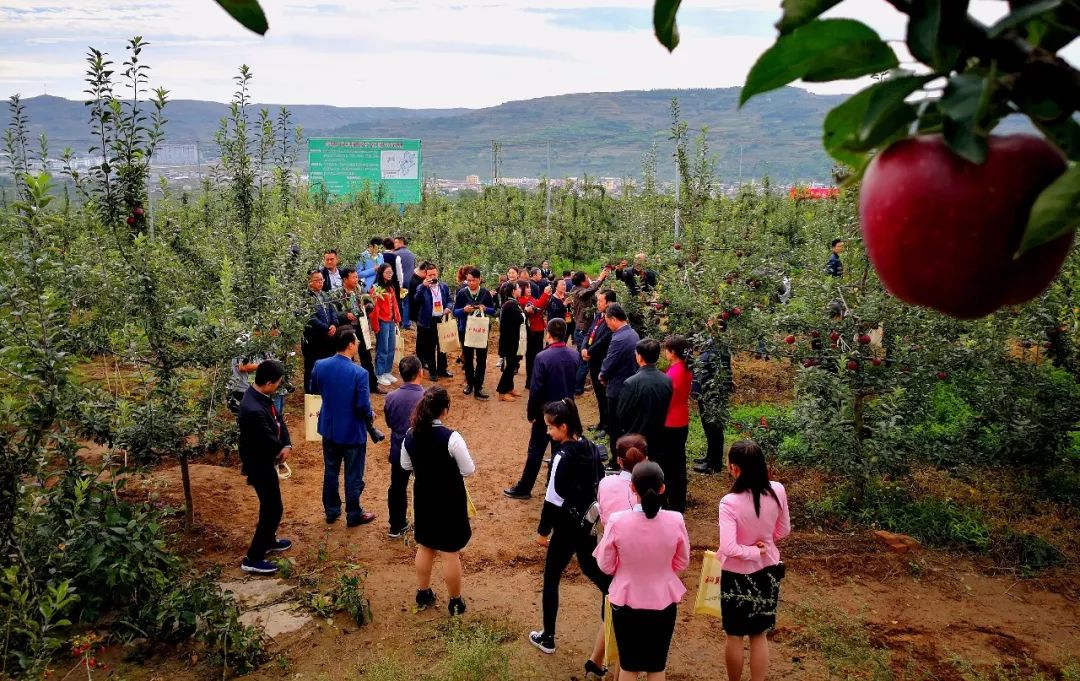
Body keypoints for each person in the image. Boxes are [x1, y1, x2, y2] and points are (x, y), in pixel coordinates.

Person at [594, 461, 690, 681]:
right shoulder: (676, 520)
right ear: (662, 488)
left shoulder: (618, 521)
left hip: (626, 599)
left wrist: (628, 570)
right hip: (664, 599)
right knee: (657, 666)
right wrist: (661, 570)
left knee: (629, 665)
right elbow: (682, 562)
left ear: (632, 488)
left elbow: (606, 565)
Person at [529, 399, 609, 657]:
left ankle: (548, 637)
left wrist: (543, 532)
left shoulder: (561, 457)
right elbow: (601, 483)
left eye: (551, 427)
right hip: (586, 525)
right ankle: (615, 603)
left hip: (565, 528)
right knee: (591, 569)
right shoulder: (591, 448)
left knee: (552, 576)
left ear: (563, 427)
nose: (548, 432)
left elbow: (552, 499)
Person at [719, 440, 791, 681]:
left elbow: (729, 547)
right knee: (759, 633)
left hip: (737, 575)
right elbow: (784, 530)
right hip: (769, 570)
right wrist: (764, 544)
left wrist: (752, 551)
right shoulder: (777, 490)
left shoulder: (729, 503)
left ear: (735, 468)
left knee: (735, 634)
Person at [401, 385, 475, 616]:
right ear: (445, 410)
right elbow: (468, 469)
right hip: (449, 499)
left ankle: (423, 593)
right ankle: (455, 602)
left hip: (423, 497)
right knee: (449, 551)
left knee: (425, 546)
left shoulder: (410, 435)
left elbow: (405, 465)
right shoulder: (452, 438)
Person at [504, 319, 579, 500]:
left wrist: (532, 413)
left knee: (536, 450)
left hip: (545, 413)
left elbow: (536, 389)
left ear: (548, 333)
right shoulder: (574, 355)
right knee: (559, 450)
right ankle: (553, 484)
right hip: (566, 409)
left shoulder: (542, 357)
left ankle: (525, 487)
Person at [310, 327, 377, 527]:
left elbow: (314, 389)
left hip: (329, 427)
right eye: (355, 342)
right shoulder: (360, 372)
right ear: (350, 345)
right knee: (353, 474)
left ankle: (331, 510)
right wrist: (370, 415)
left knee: (330, 470)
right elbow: (362, 406)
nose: (357, 344)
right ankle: (353, 513)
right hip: (352, 431)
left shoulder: (320, 365)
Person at [237, 360, 293, 574]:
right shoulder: (252, 409)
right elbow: (266, 438)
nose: (279, 386)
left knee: (271, 505)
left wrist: (286, 443)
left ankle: (268, 540)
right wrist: (281, 450)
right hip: (259, 463)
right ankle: (253, 557)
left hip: (266, 461)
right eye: (278, 383)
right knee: (272, 509)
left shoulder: (260, 398)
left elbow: (278, 419)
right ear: (269, 383)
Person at [616, 338, 673, 494]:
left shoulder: (631, 383)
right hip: (659, 436)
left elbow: (621, 414)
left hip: (637, 439)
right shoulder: (666, 380)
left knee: (637, 478)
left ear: (639, 356)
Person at [384, 356, 425, 538]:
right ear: (420, 373)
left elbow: (389, 422)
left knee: (397, 487)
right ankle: (423, 524)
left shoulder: (391, 396)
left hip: (398, 448)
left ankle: (396, 525)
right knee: (424, 486)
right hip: (422, 451)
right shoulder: (426, 397)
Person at [599, 303, 640, 457]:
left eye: (607, 321)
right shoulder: (633, 334)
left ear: (614, 319)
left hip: (617, 388)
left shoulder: (619, 339)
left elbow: (609, 363)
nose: (607, 325)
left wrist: (602, 375)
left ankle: (616, 460)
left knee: (615, 427)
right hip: (628, 385)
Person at [693, 329, 734, 474]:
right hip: (706, 392)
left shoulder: (721, 346)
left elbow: (723, 371)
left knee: (714, 428)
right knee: (708, 426)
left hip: (713, 394)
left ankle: (714, 464)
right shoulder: (711, 341)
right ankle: (709, 456)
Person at [337, 267, 383, 395]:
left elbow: (370, 304)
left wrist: (368, 306)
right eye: (353, 277)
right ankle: (350, 387)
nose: (356, 279)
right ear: (345, 279)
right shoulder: (338, 294)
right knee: (348, 358)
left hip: (361, 327)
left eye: (357, 277)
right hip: (347, 328)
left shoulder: (360, 290)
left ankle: (372, 385)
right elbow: (335, 313)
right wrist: (346, 315)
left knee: (366, 355)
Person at [452, 267, 495, 400]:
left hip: (481, 330)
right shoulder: (462, 293)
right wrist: (464, 310)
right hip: (465, 329)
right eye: (468, 280)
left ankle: (479, 386)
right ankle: (470, 383)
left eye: (473, 280)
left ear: (479, 280)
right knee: (468, 358)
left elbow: (493, 311)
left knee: (481, 359)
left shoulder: (485, 293)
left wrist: (485, 308)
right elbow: (455, 312)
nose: (471, 283)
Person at [663, 336, 693, 511]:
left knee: (670, 465)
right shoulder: (687, 368)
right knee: (679, 462)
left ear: (672, 353)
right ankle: (679, 499)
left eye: (667, 350)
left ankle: (673, 500)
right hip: (682, 418)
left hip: (671, 421)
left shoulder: (674, 373)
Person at [570, 269, 611, 392]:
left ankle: (579, 384)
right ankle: (577, 388)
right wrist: (600, 278)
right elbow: (591, 289)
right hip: (582, 331)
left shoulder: (583, 292)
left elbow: (593, 294)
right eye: (587, 278)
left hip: (585, 329)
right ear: (582, 282)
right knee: (585, 360)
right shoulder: (579, 292)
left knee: (584, 359)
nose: (589, 280)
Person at [580, 290, 615, 431]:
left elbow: (604, 340)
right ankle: (601, 422)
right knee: (599, 395)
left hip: (601, 361)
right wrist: (583, 347)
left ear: (609, 303)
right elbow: (589, 332)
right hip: (592, 361)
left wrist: (589, 351)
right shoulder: (599, 315)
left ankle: (607, 426)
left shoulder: (611, 319)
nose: (598, 303)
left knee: (605, 395)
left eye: (601, 301)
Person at [597, 433, 649, 527]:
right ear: (646, 460)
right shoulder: (651, 488)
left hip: (611, 536)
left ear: (619, 461)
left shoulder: (605, 483)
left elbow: (602, 516)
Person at [413, 264, 454, 381]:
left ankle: (442, 369)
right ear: (426, 275)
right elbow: (416, 300)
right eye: (430, 274)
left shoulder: (444, 286)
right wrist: (423, 287)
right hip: (428, 321)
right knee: (430, 347)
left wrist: (448, 307)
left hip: (441, 319)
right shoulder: (422, 287)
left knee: (443, 346)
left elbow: (450, 300)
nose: (432, 276)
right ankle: (432, 371)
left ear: (437, 274)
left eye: (434, 274)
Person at [303, 269, 337, 393]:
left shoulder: (325, 295)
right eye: (316, 280)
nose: (320, 282)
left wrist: (334, 324)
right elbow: (311, 318)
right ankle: (310, 391)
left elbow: (333, 311)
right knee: (312, 365)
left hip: (327, 336)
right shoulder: (306, 298)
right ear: (310, 282)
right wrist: (326, 327)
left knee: (326, 362)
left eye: (321, 280)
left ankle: (324, 389)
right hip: (314, 338)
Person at [371, 263, 402, 386]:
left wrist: (397, 318)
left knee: (391, 347)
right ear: (381, 273)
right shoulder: (376, 288)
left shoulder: (390, 287)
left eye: (391, 272)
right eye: (387, 272)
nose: (390, 275)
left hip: (390, 321)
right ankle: (379, 373)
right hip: (382, 321)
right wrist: (375, 325)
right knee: (382, 348)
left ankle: (387, 371)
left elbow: (394, 303)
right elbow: (374, 309)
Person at [497, 281, 527, 401]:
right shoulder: (509, 305)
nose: (520, 289)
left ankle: (510, 388)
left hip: (515, 340)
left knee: (513, 364)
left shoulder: (513, 303)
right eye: (518, 288)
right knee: (510, 367)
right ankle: (502, 392)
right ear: (513, 291)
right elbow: (511, 324)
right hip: (510, 341)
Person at [520, 280, 551, 388]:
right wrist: (545, 294)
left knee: (537, 355)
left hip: (539, 329)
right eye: (527, 287)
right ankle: (530, 381)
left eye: (529, 287)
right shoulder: (522, 300)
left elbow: (540, 307)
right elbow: (536, 306)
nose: (529, 289)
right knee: (531, 356)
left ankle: (534, 379)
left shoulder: (531, 298)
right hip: (531, 330)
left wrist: (546, 298)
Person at [395, 236, 417, 328]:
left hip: (399, 282)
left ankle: (398, 322)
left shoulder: (395, 254)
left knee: (397, 301)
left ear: (401, 243)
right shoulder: (412, 255)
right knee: (407, 302)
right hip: (410, 282)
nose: (394, 244)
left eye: (396, 242)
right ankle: (406, 323)